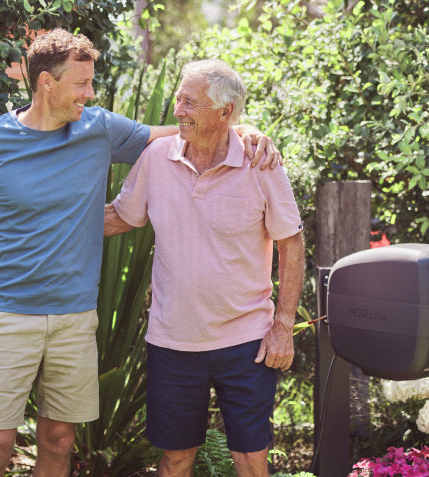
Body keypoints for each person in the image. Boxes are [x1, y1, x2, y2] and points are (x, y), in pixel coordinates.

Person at [0, 29, 280, 477]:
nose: (91, 93)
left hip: (75, 318)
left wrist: (244, 130)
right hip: (5, 313)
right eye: (82, 83)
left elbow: (184, 131)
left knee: (60, 441)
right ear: (47, 83)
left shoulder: (97, 128)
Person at [104, 59, 305, 477]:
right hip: (173, 340)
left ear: (225, 112)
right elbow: (121, 217)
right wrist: (44, 222)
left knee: (250, 458)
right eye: (178, 97)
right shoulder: (158, 157)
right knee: (176, 458)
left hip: (246, 340)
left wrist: (283, 325)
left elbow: (291, 241)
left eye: (190, 102)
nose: (177, 109)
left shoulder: (260, 163)